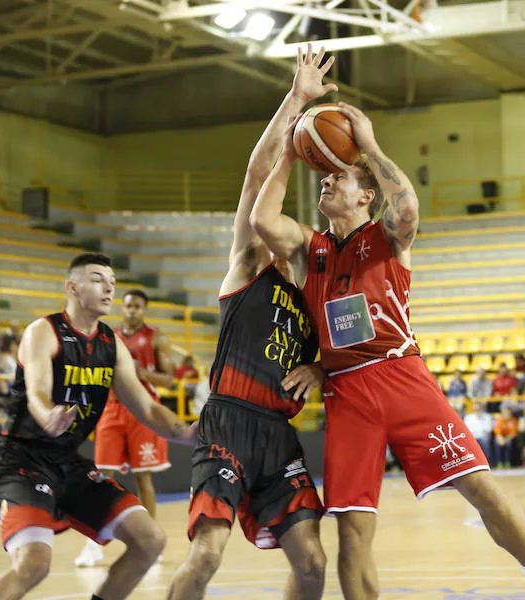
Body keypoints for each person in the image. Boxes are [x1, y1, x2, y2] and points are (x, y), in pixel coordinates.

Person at [250, 100, 525, 600]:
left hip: (402, 376)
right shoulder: (311, 251)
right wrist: (288, 151)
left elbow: (410, 207)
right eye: (323, 175)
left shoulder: (387, 236)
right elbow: (263, 219)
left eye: (339, 176)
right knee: (352, 531)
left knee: (480, 488)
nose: (325, 180)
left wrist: (368, 143)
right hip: (348, 393)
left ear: (367, 195)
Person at [166, 45, 335, 600]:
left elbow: (355, 360)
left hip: (279, 436)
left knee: (312, 562)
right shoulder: (248, 268)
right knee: (208, 553)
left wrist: (319, 366)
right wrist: (296, 102)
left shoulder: (316, 306)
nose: (288, 235)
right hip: (228, 422)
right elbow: (253, 178)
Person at [0, 253, 196, 600]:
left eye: (111, 279)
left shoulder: (111, 344)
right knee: (34, 564)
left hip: (68, 461)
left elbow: (148, 408)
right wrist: (48, 414)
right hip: (23, 462)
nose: (108, 285)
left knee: (150, 540)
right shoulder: (43, 331)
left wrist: (188, 433)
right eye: (97, 278)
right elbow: (35, 391)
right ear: (72, 288)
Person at [75, 289, 175, 568]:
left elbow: (168, 379)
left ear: (145, 309)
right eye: (128, 305)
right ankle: (93, 545)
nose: (132, 310)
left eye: (138, 307)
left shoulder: (156, 337)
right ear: (123, 307)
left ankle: (152, 542)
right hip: (112, 409)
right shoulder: (108, 336)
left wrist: (141, 373)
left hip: (143, 411)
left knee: (143, 479)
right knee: (99, 479)